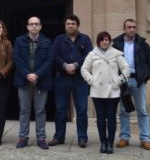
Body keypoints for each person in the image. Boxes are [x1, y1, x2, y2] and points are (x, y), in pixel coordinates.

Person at [81, 31, 130, 154]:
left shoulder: (116, 54)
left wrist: (119, 81)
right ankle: (103, 142)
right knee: (101, 119)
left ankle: (110, 143)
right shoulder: (92, 54)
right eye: (102, 39)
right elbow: (84, 69)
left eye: (107, 39)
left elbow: (126, 68)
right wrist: (91, 80)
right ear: (98, 41)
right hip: (97, 91)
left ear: (110, 41)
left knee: (112, 118)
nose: (105, 41)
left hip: (113, 91)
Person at [49, 15, 92, 148]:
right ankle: (59, 137)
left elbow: (89, 56)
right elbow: (53, 56)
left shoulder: (85, 39)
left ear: (77, 25)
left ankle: (82, 138)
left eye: (73, 24)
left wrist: (75, 65)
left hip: (80, 79)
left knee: (82, 109)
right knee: (61, 109)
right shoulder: (59, 39)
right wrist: (64, 65)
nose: (70, 26)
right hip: (62, 77)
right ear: (65, 26)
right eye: (68, 24)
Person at [113, 19, 150, 150]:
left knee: (142, 110)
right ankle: (124, 137)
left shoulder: (142, 44)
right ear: (124, 28)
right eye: (129, 27)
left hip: (138, 81)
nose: (132, 29)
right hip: (123, 80)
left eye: (134, 27)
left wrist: (145, 77)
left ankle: (145, 138)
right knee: (124, 110)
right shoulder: (117, 43)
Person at [13, 17, 53, 150]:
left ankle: (41, 138)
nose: (34, 26)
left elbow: (49, 61)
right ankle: (23, 137)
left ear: (40, 26)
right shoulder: (19, 41)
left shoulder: (47, 42)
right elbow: (17, 59)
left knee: (40, 110)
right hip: (24, 80)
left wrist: (37, 74)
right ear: (27, 27)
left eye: (36, 24)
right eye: (31, 24)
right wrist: (27, 74)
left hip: (41, 80)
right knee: (24, 110)